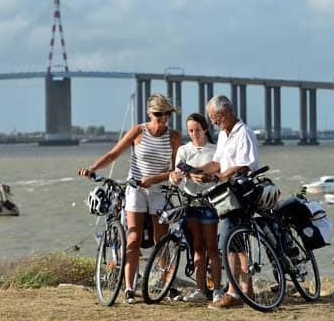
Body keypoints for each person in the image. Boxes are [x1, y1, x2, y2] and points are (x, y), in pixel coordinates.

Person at [78, 93, 182, 304]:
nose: (161, 119)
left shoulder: (174, 137)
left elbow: (176, 170)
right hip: (135, 188)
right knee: (133, 238)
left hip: (159, 189)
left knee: (160, 240)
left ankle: (165, 283)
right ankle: (128, 287)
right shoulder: (138, 131)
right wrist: (93, 168)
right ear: (149, 113)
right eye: (157, 114)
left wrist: (155, 179)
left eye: (166, 115)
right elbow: (113, 154)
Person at [189, 94, 259, 309]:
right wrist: (197, 172)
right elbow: (217, 163)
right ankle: (246, 291)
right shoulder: (223, 135)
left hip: (241, 192)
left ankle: (234, 293)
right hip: (227, 196)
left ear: (226, 112)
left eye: (215, 117)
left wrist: (219, 176)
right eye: (211, 118)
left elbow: (245, 165)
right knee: (236, 244)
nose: (212, 122)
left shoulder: (243, 132)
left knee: (230, 241)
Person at [169, 113, 223, 303]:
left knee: (212, 247)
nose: (194, 134)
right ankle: (200, 290)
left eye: (197, 130)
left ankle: (217, 290)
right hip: (189, 202)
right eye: (190, 131)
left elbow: (220, 172)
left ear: (205, 129)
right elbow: (178, 173)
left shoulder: (215, 150)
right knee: (197, 248)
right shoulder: (184, 150)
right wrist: (174, 178)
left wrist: (205, 176)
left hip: (208, 203)